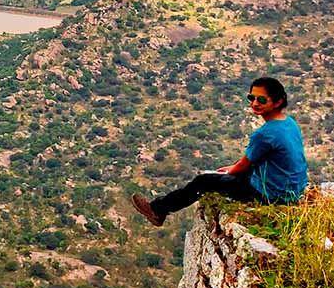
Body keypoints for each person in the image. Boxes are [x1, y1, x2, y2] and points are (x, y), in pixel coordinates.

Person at [132, 77, 308, 226]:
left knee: (204, 181)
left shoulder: (264, 134)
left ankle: (157, 210)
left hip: (271, 195)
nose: (255, 103)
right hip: (292, 189)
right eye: (251, 98)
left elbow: (243, 165)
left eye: (261, 100)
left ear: (277, 102)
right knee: (228, 176)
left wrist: (230, 171)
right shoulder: (289, 122)